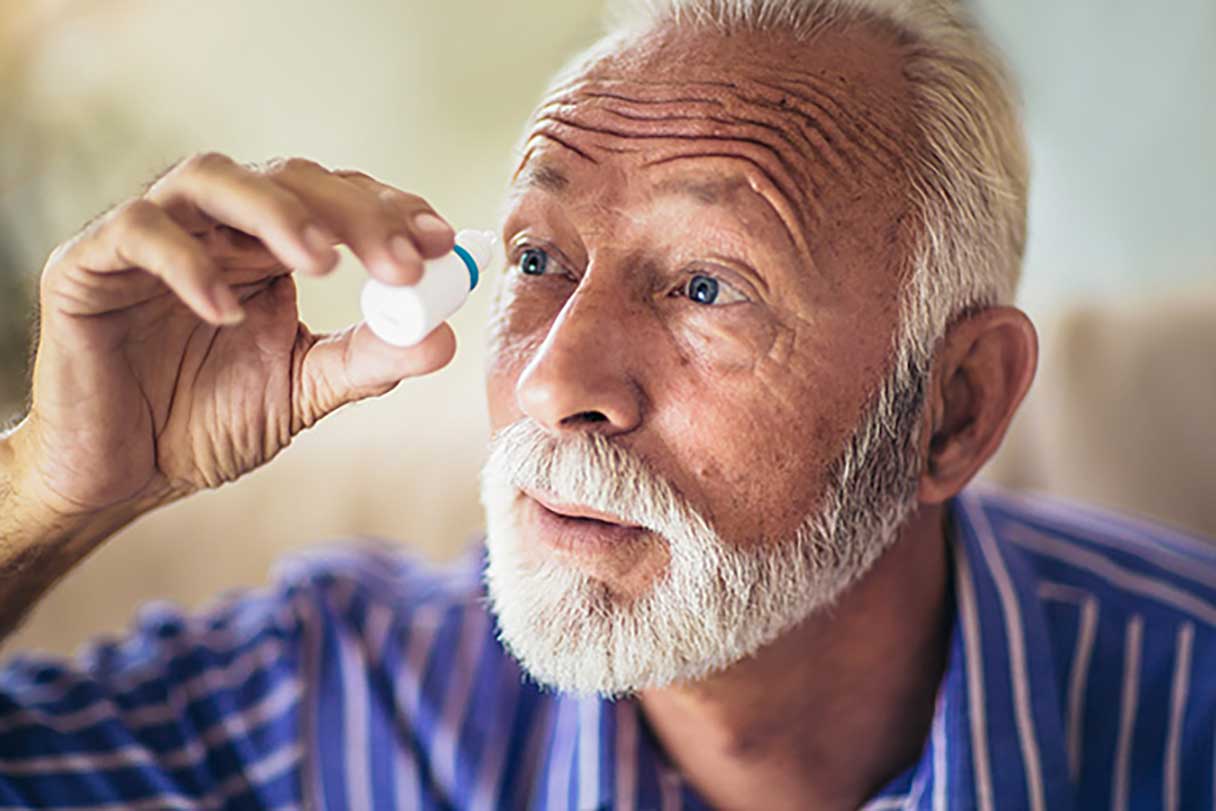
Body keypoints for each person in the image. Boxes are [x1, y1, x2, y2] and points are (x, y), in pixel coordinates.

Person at [1, 0, 1213, 808]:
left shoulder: (1185, 715)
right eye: (537, 259)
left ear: (953, 407)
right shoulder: (341, 702)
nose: (551, 380)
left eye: (703, 285)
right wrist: (52, 484)